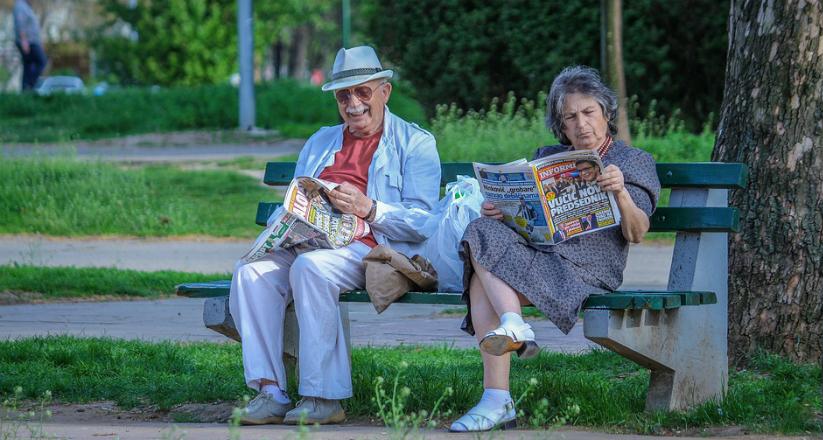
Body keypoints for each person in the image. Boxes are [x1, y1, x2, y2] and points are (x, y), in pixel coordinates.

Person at [230, 46, 441, 426]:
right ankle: (271, 392)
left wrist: (369, 208)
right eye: (344, 95)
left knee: (312, 268)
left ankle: (324, 397)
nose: (353, 103)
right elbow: (296, 198)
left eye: (363, 92)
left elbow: (424, 222)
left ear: (384, 92)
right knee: (250, 273)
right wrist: (285, 226)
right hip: (311, 243)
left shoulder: (415, 143)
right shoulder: (320, 141)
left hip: (371, 248)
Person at [450, 66, 660, 432]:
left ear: (606, 113)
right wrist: (504, 212)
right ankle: (513, 328)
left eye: (588, 112)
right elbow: (527, 220)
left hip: (588, 271)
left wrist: (621, 192)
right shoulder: (549, 157)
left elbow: (638, 232)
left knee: (481, 281)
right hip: (541, 257)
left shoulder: (632, 161)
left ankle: (497, 396)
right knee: (481, 229)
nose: (581, 124)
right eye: (570, 118)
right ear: (561, 126)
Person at [13, 0, 47, 91]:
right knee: (42, 61)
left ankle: (25, 89)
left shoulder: (26, 6)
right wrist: (24, 41)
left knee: (27, 65)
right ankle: (30, 85)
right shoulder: (20, 6)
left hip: (32, 41)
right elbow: (20, 24)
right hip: (29, 42)